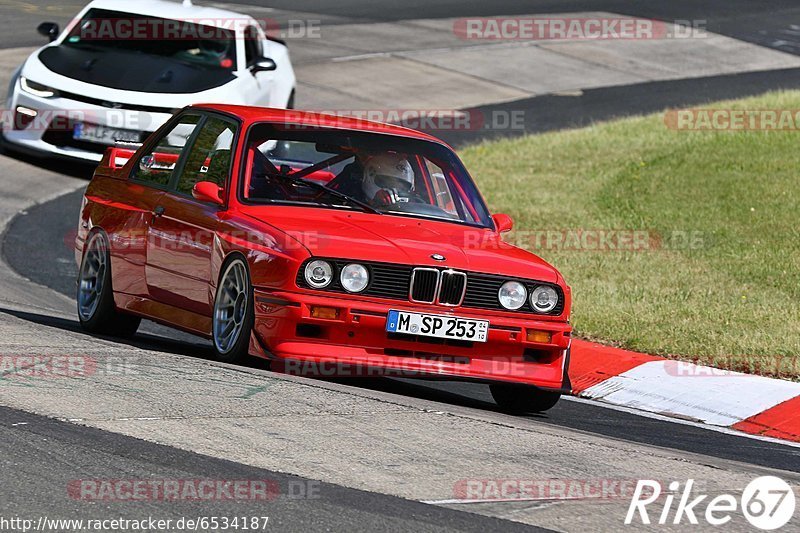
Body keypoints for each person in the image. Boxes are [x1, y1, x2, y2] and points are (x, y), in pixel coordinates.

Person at [332, 152, 415, 207]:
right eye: (387, 183)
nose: (393, 191)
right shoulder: (349, 204)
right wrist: (372, 205)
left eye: (402, 187)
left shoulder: (420, 210)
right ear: (368, 177)